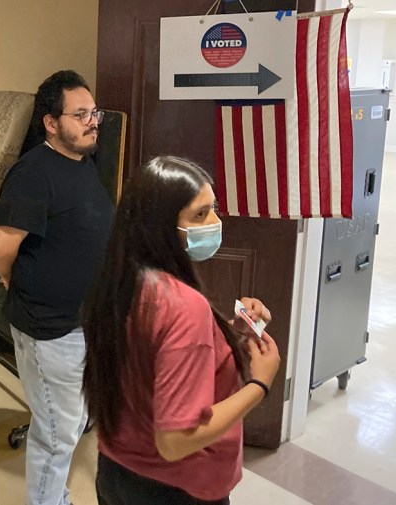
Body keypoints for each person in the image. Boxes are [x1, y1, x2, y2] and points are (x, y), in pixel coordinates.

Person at [83, 156, 281, 505]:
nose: (216, 223)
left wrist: (224, 333)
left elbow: (154, 356)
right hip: (175, 488)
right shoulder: (183, 306)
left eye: (214, 209)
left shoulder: (123, 280)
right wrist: (259, 385)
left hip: (117, 471)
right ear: (160, 226)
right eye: (200, 215)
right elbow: (175, 440)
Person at [0, 69, 113, 505]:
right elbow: (1, 247)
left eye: (93, 112)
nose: (91, 121)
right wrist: (10, 277)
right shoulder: (33, 174)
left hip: (84, 321)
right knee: (57, 436)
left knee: (71, 422)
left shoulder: (84, 162)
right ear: (50, 122)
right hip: (49, 328)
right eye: (80, 114)